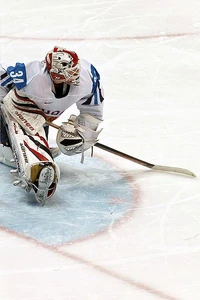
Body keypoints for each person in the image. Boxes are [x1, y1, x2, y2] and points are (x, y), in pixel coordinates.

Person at [0, 46, 104, 204]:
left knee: (37, 135)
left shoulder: (88, 77)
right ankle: (30, 163)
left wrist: (84, 133)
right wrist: (4, 104)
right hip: (18, 105)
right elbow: (2, 79)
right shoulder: (31, 74)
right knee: (13, 148)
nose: (75, 74)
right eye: (69, 72)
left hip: (42, 116)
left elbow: (93, 111)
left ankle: (37, 159)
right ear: (55, 73)